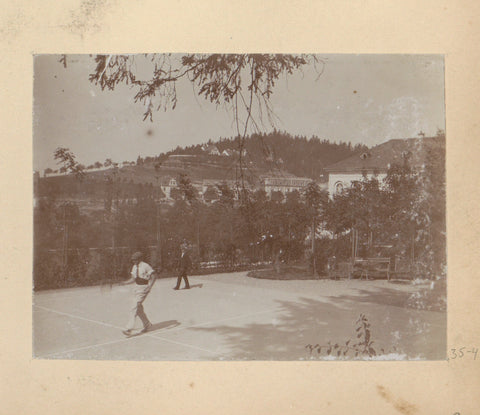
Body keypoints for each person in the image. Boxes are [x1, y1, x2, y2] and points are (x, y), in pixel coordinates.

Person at [120, 251, 156, 336]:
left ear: (140, 259)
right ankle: (147, 324)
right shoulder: (134, 267)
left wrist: (150, 286)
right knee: (138, 308)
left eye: (135, 260)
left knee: (134, 306)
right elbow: (133, 279)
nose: (133, 261)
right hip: (136, 288)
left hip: (144, 288)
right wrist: (124, 283)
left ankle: (128, 328)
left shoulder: (146, 266)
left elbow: (154, 276)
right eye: (133, 260)